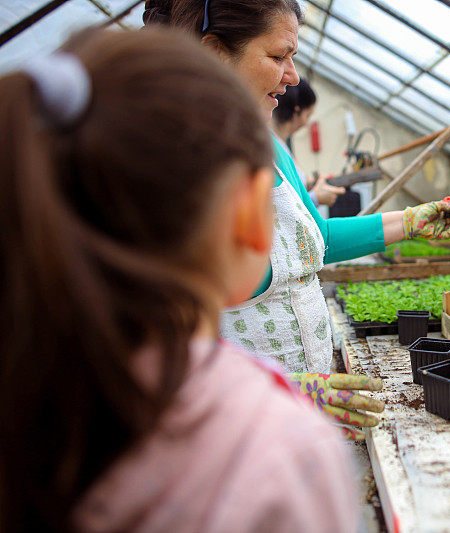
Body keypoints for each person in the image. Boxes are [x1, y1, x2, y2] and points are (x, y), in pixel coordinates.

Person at [0, 28, 356, 532]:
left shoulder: (31, 391)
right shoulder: (280, 452)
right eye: (278, 55)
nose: (289, 74)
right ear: (252, 215)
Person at [144, 1, 450, 436]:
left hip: (299, 420)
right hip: (230, 429)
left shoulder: (270, 148)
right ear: (216, 53)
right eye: (278, 56)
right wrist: (273, 390)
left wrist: (410, 222)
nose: (293, 75)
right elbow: (150, 345)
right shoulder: (164, 168)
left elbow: (315, 239)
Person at [273, 77, 345, 207]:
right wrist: (315, 198)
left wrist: (308, 184)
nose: (306, 123)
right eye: (307, 115)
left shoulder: (281, 144)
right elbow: (279, 207)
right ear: (297, 110)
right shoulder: (272, 146)